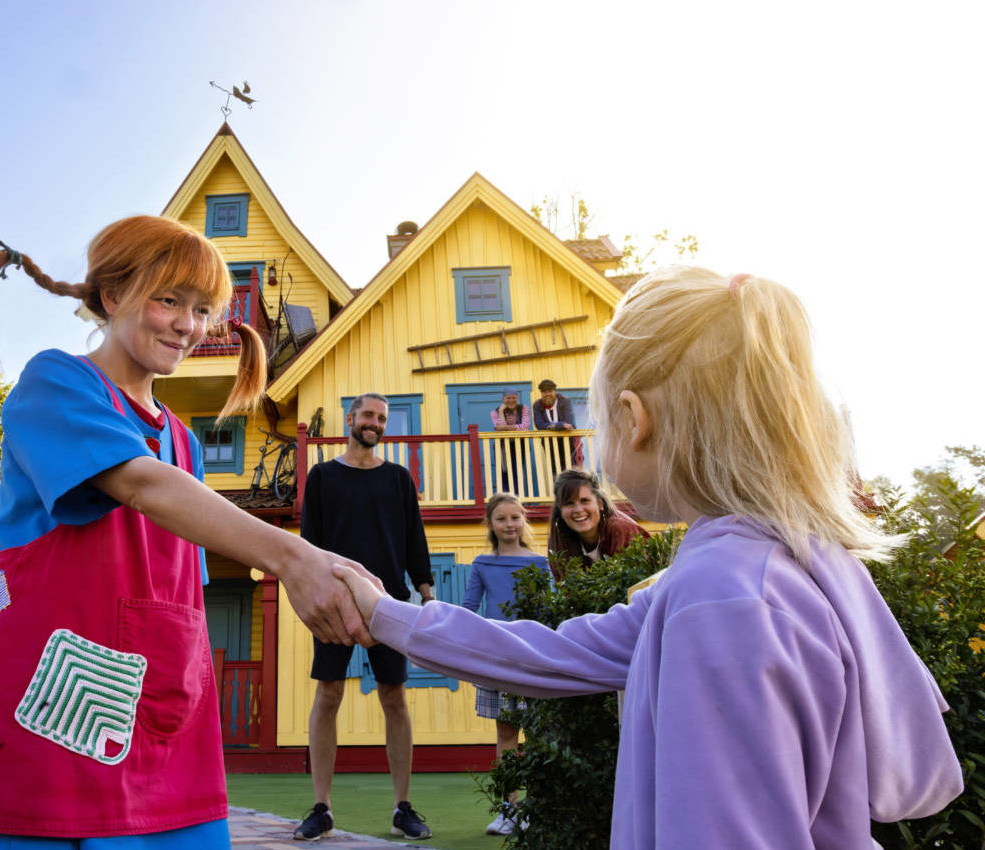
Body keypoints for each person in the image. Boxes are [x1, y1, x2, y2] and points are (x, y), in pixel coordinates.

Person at [331, 268, 964, 848]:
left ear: (635, 418)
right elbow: (551, 652)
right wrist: (387, 614)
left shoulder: (722, 599)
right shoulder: (763, 565)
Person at [0, 217, 377, 849]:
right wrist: (294, 558)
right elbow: (141, 483)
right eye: (168, 299)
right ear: (113, 295)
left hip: (158, 711)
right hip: (39, 706)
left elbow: (184, 588)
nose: (187, 325)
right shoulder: (56, 382)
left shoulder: (186, 443)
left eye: (201, 310)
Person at [293, 392, 436, 842]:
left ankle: (402, 808)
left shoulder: (398, 479)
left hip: (388, 601)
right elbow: (309, 544)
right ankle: (322, 808)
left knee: (394, 697)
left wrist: (426, 592)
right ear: (350, 418)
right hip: (334, 601)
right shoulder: (322, 477)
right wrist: (311, 594)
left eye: (382, 418)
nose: (375, 423)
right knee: (329, 694)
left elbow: (414, 539)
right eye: (368, 415)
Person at [460, 492, 549, 836]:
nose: (509, 524)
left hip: (531, 655)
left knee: (538, 733)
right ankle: (508, 810)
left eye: (515, 517)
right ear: (490, 523)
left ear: (524, 519)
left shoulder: (540, 563)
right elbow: (469, 607)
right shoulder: (482, 564)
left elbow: (549, 609)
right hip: (496, 657)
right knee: (506, 731)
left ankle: (537, 808)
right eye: (501, 518)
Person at [547, 468, 649, 580]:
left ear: (600, 503)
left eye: (585, 501)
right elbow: (567, 588)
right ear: (560, 511)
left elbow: (637, 581)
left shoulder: (622, 529)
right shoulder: (559, 543)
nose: (578, 510)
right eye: (569, 503)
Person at [532, 378, 582, 471]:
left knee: (571, 469)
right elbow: (539, 425)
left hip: (568, 441)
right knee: (554, 470)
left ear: (555, 391)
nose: (547, 394)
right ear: (541, 393)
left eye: (550, 391)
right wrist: (560, 425)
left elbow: (569, 422)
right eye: (544, 392)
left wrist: (550, 426)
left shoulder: (564, 401)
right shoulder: (537, 405)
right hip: (549, 443)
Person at [489, 390, 531, 492]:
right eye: (508, 398)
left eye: (514, 397)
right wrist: (501, 412)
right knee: (503, 472)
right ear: (503, 399)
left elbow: (525, 426)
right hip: (502, 445)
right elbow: (500, 428)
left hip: (519, 445)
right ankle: (505, 497)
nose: (511, 400)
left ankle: (516, 496)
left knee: (516, 472)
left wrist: (505, 427)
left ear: (517, 398)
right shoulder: (495, 412)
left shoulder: (524, 409)